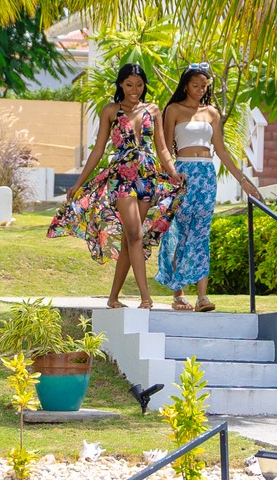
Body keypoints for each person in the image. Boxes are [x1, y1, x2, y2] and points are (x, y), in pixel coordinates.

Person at [48, 62, 184, 309]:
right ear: (121, 84)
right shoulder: (110, 110)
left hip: (147, 177)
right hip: (121, 176)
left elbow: (162, 148)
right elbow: (99, 150)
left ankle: (113, 298)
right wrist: (79, 182)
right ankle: (146, 297)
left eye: (140, 85)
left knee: (128, 241)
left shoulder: (153, 110)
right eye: (129, 84)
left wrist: (173, 173)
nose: (135, 90)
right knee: (135, 234)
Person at [158, 63, 262, 312]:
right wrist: (171, 175)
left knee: (202, 233)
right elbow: (162, 147)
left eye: (204, 86)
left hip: (206, 174)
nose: (200, 89)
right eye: (196, 85)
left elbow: (222, 150)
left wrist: (243, 180)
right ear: (185, 85)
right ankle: (178, 293)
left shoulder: (212, 113)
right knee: (180, 230)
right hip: (182, 173)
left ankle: (202, 297)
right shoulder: (173, 109)